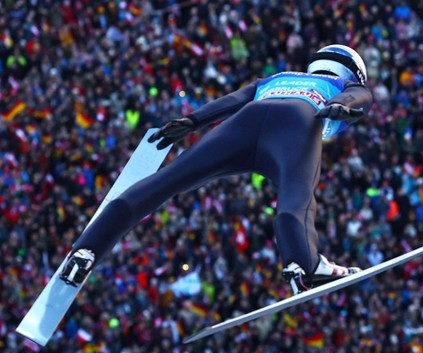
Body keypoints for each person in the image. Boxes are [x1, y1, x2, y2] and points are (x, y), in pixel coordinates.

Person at [60, 44, 374, 294]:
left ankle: (87, 249)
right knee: (296, 198)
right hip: (298, 121)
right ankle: (303, 265)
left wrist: (191, 122)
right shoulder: (338, 83)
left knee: (167, 181)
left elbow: (233, 99)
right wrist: (345, 105)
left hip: (244, 122)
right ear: (353, 71)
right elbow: (361, 96)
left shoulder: (277, 78)